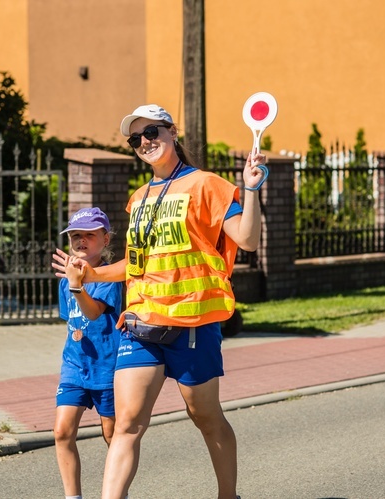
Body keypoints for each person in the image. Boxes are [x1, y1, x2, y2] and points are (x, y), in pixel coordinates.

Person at [53, 104, 267, 499]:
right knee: (127, 424)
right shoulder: (139, 199)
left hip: (193, 323)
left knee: (204, 416)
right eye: (135, 139)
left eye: (152, 132)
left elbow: (249, 240)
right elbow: (136, 265)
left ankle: (228, 496)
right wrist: (91, 275)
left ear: (171, 131)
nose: (144, 142)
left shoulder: (207, 184)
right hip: (142, 323)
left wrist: (251, 189)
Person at [55, 207, 123, 499]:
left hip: (107, 367)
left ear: (105, 239)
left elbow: (93, 314)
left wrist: (77, 285)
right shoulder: (65, 280)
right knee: (62, 433)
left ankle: (116, 493)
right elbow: (74, 324)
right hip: (74, 365)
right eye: (75, 235)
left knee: (113, 436)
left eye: (89, 235)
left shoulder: (110, 279)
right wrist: (71, 282)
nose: (81, 240)